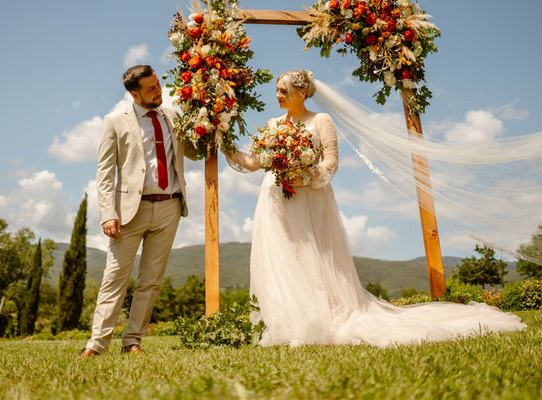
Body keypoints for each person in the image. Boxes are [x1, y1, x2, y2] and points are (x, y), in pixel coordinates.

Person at [225, 70, 525, 347]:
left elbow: (331, 162)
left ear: (301, 92)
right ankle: (289, 324)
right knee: (284, 260)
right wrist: (226, 146)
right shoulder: (273, 126)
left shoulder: (321, 121)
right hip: (275, 200)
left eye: (282, 90)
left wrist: (303, 177)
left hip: (310, 198)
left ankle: (320, 322)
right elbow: (255, 162)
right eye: (276, 90)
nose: (277, 95)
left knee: (315, 258)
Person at [79, 65, 194, 357]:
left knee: (151, 281)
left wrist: (210, 123)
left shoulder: (173, 117)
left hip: (169, 205)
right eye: (151, 89)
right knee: (114, 278)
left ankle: (133, 341)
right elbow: (105, 172)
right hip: (130, 211)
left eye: (158, 85)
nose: (159, 92)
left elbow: (195, 151)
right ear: (134, 93)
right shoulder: (115, 122)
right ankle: (96, 344)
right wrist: (107, 213)